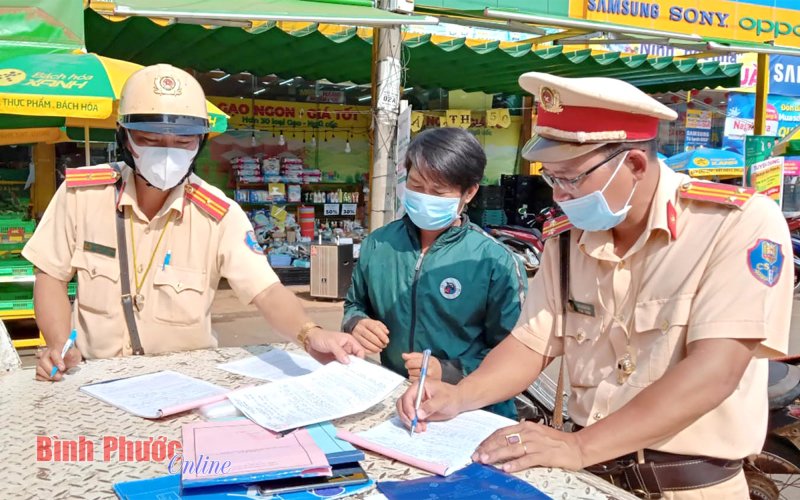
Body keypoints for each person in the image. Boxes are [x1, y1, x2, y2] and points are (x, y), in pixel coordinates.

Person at [397, 73, 792, 498]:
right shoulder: (568, 238)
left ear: (635, 164)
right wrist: (459, 397)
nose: (559, 196)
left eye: (571, 179)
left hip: (687, 485)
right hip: (589, 481)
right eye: (552, 179)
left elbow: (715, 371)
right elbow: (530, 343)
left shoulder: (735, 224)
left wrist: (580, 446)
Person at [25, 64, 364, 382]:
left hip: (184, 382)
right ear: (123, 138)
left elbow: (267, 290)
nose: (167, 153)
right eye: (150, 140)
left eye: (183, 142)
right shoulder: (82, 195)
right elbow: (51, 275)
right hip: (95, 376)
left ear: (200, 142)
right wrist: (59, 345)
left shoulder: (219, 214)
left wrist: (311, 334)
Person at [343, 127, 527, 418]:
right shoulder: (378, 245)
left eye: (438, 192)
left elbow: (517, 354)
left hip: (476, 411)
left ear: (469, 192)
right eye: (416, 185)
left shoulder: (495, 261)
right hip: (399, 402)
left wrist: (451, 370)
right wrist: (356, 323)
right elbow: (355, 304)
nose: (424, 197)